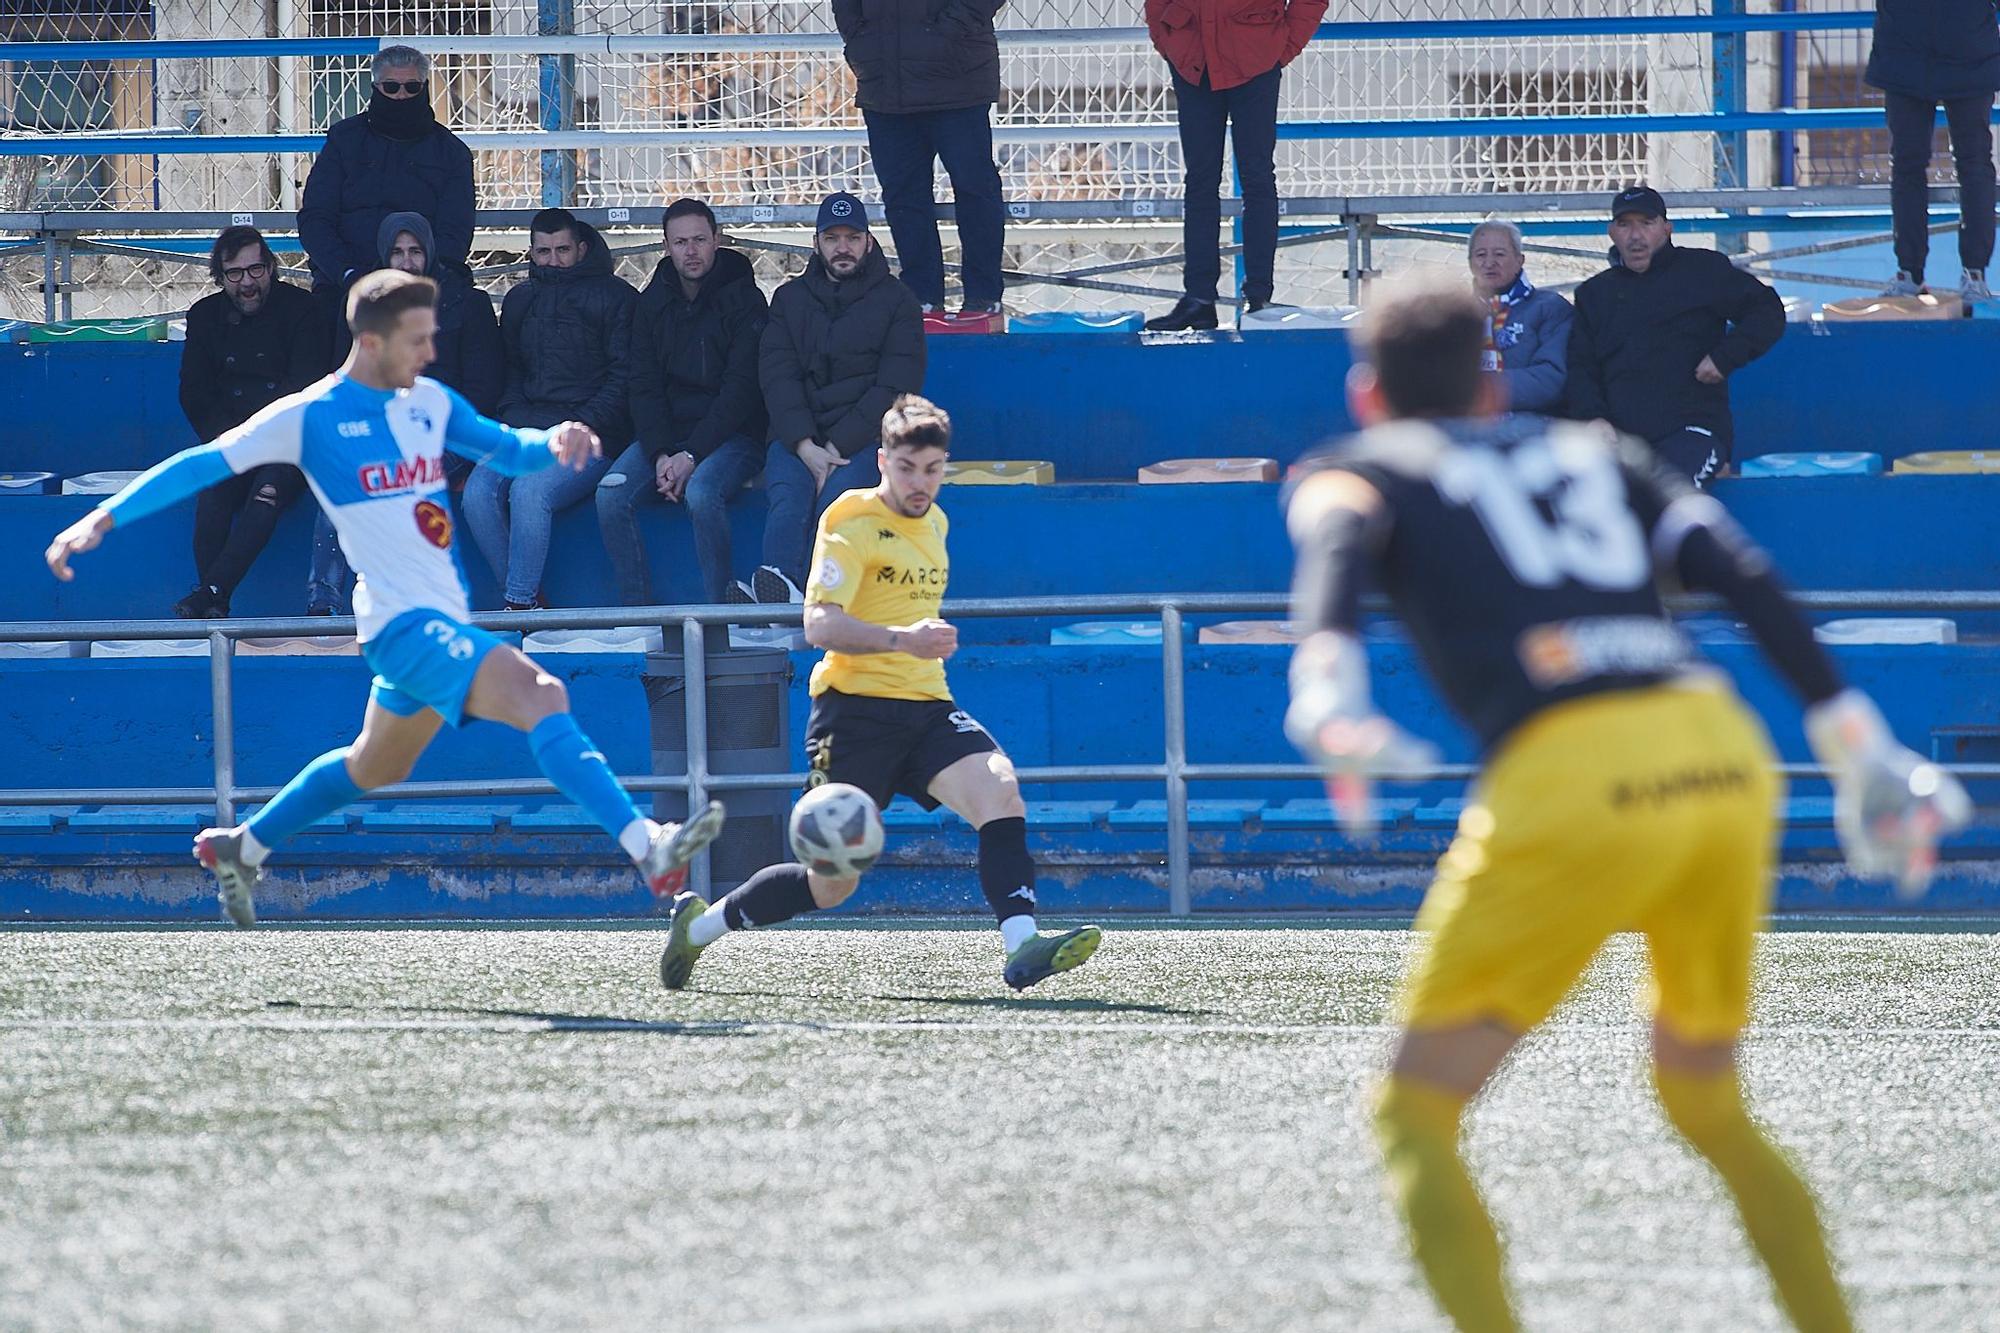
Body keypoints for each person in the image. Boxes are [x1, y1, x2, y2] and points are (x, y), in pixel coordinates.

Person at [1283, 278, 1968, 1333]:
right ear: (1491, 379)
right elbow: (1739, 571)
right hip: (1717, 755)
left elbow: (1335, 538)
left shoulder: (1354, 465)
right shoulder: (1594, 448)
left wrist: (1325, 690)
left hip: (1569, 776)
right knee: (1702, 1098)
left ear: (1366, 395)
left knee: (1412, 1113)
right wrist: (1856, 745)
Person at [44, 270, 724, 929]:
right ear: (371, 342)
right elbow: (203, 463)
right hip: (402, 623)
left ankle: (242, 846)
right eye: (418, 339)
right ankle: (647, 845)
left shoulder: (427, 401)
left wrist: (554, 441)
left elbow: (507, 449)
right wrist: (101, 517)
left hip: (435, 621)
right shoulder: (311, 416)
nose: (431, 352)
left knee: (376, 763)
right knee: (540, 692)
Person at [657, 395, 1101, 992]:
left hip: (926, 705)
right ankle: (700, 926)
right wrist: (902, 638)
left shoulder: (938, 523)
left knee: (1000, 790)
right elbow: (817, 625)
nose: (921, 483)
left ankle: (1022, 948)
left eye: (933, 469)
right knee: (832, 884)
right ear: (882, 460)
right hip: (852, 712)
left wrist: (920, 645)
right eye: (907, 467)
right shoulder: (849, 518)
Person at [309, 210, 502, 616]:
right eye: (397, 252)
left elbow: (483, 390)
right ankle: (323, 606)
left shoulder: (467, 304)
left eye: (415, 251)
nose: (407, 261)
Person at [749, 192, 926, 604]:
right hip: (799, 438)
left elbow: (896, 386)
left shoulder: (898, 301)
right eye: (832, 238)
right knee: (788, 497)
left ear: (868, 242)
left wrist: (833, 447)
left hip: (865, 440)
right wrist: (805, 444)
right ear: (816, 243)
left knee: (838, 500)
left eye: (852, 237)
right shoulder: (789, 299)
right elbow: (778, 376)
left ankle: (799, 603)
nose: (842, 247)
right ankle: (783, 594)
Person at [597, 198, 769, 608]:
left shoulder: (747, 300)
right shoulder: (651, 303)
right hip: (669, 437)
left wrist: (691, 455)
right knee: (610, 494)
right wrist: (660, 454)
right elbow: (644, 385)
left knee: (703, 494)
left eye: (699, 240)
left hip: (733, 435)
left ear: (717, 240)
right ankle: (637, 616)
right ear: (666, 246)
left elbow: (741, 391)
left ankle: (720, 615)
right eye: (680, 243)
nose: (690, 252)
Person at [464, 208, 636, 610]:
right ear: (531, 252)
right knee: (478, 493)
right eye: (543, 251)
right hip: (528, 430)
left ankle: (519, 605)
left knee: (528, 491)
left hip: (592, 436)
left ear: (581, 248)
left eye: (562, 249)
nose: (553, 260)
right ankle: (525, 597)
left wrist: (583, 425)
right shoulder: (521, 298)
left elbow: (623, 378)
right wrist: (515, 416)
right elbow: (509, 370)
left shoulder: (617, 297)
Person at [1565, 186, 1785, 486]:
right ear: (1612, 232)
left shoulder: (1703, 270)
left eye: (1646, 223)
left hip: (1693, 432)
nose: (1635, 235)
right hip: (1620, 442)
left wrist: (1724, 358)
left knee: (1664, 497)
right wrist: (1593, 417)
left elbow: (1767, 310)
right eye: (1625, 224)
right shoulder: (1594, 294)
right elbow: (1581, 367)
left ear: (1666, 229)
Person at [1142, 0, 1328, 331]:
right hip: (1192, 57)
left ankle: (1258, 300)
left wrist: (1282, 48)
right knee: (1200, 181)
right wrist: (1168, 39)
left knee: (1256, 178)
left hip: (1255, 55)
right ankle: (1198, 300)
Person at [174, 225, 331, 618]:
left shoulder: (302, 309)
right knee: (213, 495)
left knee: (267, 494)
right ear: (221, 276)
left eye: (256, 270)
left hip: (288, 439)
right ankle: (215, 603)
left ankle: (211, 593)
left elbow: (306, 387)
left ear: (271, 268)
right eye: (235, 273)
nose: (248, 283)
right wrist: (227, 438)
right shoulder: (205, 317)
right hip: (231, 435)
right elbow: (194, 392)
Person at [831, 0, 1007, 321]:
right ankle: (921, 298)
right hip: (884, 82)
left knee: (975, 189)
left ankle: (983, 298)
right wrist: (860, 37)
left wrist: (947, 31)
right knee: (903, 198)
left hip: (957, 79)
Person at [298, 45, 475, 308]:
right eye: (391, 87)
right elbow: (316, 218)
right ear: (376, 87)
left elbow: (455, 230)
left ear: (424, 87)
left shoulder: (450, 152)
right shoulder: (344, 141)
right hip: (344, 283)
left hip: (422, 286)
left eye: (412, 87)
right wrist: (346, 273)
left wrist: (425, 277)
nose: (402, 96)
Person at [1867, 0, 2000, 299]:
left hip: (1906, 43)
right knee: (1973, 162)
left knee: (1909, 165)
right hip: (1966, 42)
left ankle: (1911, 274)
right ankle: (1973, 275)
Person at [1466, 218, 1572, 416]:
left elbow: (1551, 379)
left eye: (1500, 254)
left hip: (1532, 425)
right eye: (1481, 255)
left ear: (1519, 260)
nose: (1489, 263)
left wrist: (1478, 389)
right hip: (1467, 424)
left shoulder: (1549, 307)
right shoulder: (1455, 313)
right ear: (1470, 263)